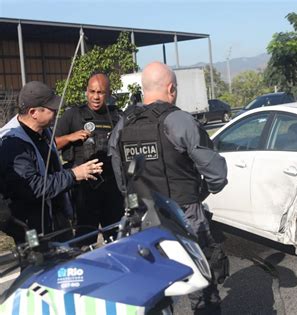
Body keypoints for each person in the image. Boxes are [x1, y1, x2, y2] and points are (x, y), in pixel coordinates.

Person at [109, 61, 228, 313]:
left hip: (142, 220)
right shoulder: (179, 121)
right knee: (200, 285)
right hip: (183, 215)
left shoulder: (123, 125)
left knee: (152, 289)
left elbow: (120, 176)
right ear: (171, 88)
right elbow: (215, 171)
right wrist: (204, 190)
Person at [0, 81, 103, 242]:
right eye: (51, 109)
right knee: (39, 267)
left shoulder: (44, 131)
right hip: (33, 228)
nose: (57, 111)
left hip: (55, 217)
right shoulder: (13, 144)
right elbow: (33, 187)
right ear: (33, 112)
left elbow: (48, 162)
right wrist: (74, 175)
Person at [55, 73, 123, 235]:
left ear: (108, 93)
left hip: (111, 189)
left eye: (100, 92)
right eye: (92, 92)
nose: (96, 97)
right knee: (84, 241)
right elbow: (51, 145)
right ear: (86, 91)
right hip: (83, 191)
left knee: (116, 238)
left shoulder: (117, 116)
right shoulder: (72, 115)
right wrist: (69, 137)